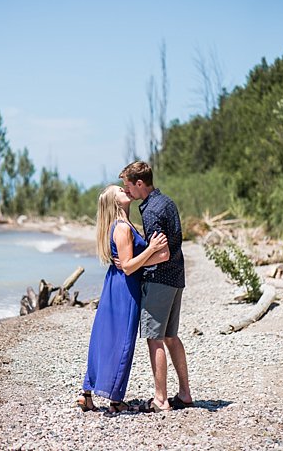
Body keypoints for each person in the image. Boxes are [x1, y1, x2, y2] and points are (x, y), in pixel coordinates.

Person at [77, 184, 168, 414]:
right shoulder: (122, 228)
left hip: (115, 284)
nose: (125, 190)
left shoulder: (121, 225)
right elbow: (128, 267)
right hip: (125, 288)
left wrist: (144, 256)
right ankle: (115, 400)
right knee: (122, 341)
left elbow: (127, 264)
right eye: (119, 190)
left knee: (105, 337)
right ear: (114, 202)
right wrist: (153, 249)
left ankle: (87, 393)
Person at [118, 161, 194, 413]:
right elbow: (170, 250)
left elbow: (161, 254)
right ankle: (185, 394)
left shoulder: (149, 210)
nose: (126, 191)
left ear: (140, 184)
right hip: (176, 278)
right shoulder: (167, 201)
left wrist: (132, 264)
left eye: (128, 186)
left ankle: (160, 400)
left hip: (159, 280)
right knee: (171, 337)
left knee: (154, 339)